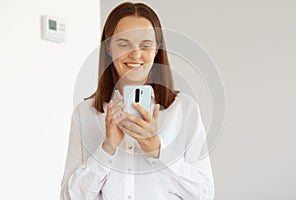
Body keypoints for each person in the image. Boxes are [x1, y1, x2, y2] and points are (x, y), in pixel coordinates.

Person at [60, 2, 215, 200]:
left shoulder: (184, 108)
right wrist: (107, 148)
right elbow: (68, 197)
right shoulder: (85, 113)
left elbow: (204, 194)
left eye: (145, 45)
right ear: (109, 47)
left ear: (157, 49)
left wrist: (157, 150)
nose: (135, 54)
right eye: (124, 44)